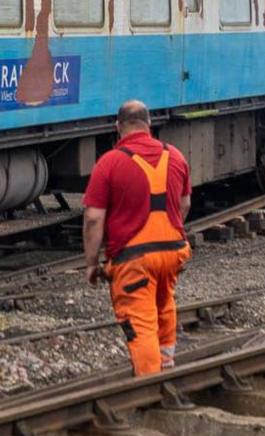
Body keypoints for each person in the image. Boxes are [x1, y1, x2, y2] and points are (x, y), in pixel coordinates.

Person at [81, 100, 192, 375]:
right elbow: (185, 204)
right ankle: (167, 364)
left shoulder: (109, 162)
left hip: (134, 258)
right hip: (173, 252)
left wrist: (91, 262)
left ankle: (150, 384)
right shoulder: (175, 155)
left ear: (117, 127)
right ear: (149, 124)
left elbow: (94, 218)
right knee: (164, 303)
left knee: (139, 322)